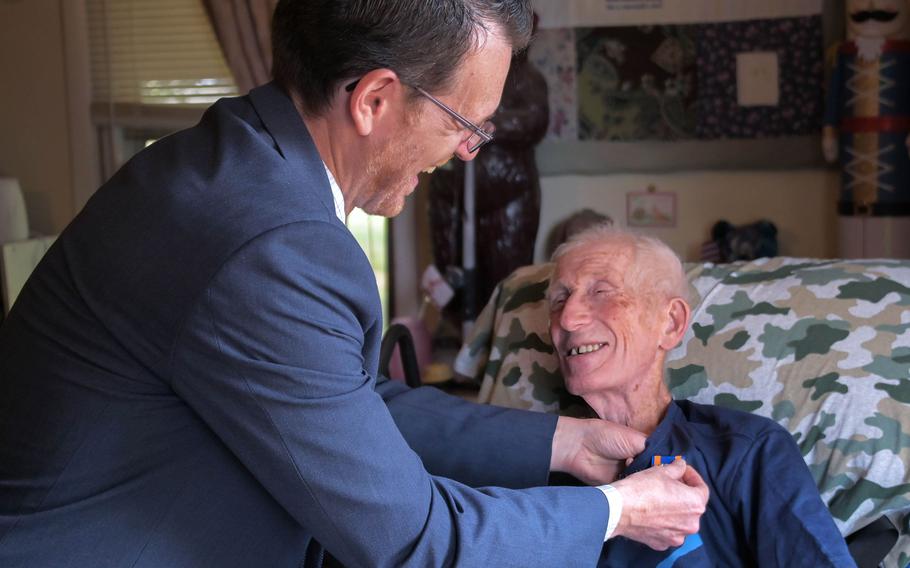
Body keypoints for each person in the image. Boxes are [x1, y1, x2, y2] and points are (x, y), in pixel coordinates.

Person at [0, 2, 708, 566]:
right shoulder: (275, 245)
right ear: (374, 99)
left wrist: (564, 443)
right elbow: (416, 543)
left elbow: (339, 401)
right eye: (465, 125)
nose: (465, 153)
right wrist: (621, 512)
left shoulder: (233, 154)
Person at [546, 225, 857, 567]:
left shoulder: (745, 449)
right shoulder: (538, 463)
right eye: (559, 299)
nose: (568, 318)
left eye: (601, 292)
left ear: (670, 323)